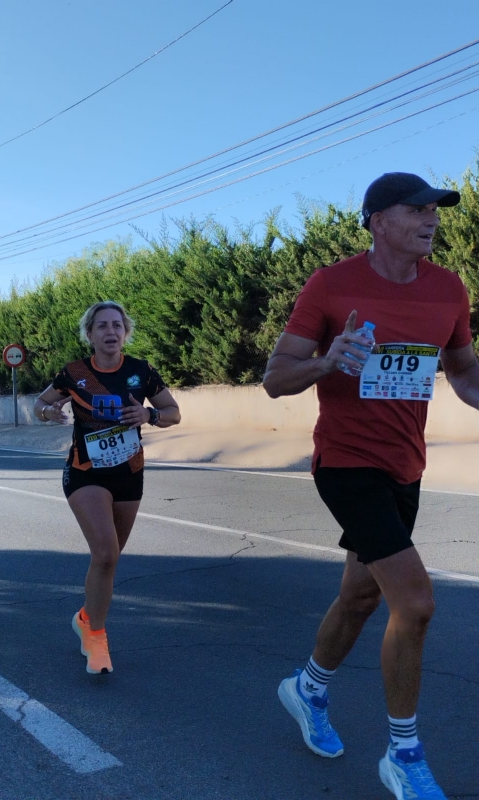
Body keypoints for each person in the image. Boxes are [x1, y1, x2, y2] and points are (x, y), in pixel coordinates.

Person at [263, 172, 478, 799]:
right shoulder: (332, 285)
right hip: (346, 462)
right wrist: (329, 361)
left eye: (435, 210)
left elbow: (464, 373)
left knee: (360, 597)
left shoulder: (449, 289)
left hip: (405, 465)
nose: (431, 219)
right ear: (378, 220)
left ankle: (306, 689)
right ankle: (403, 754)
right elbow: (276, 378)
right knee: (414, 602)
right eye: (417, 209)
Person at [35, 300, 180, 675]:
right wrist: (49, 412)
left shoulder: (142, 371)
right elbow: (41, 403)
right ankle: (96, 638)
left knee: (110, 559)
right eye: (102, 326)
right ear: (90, 333)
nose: (110, 332)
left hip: (129, 472)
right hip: (85, 472)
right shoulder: (73, 372)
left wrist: (149, 414)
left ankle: (86, 616)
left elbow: (173, 413)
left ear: (125, 332)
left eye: (117, 325)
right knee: (104, 553)